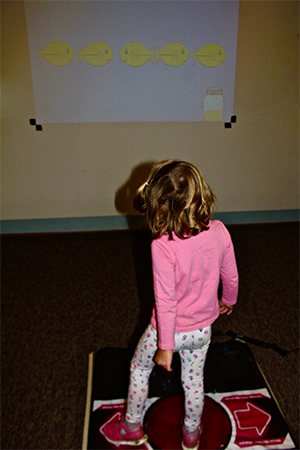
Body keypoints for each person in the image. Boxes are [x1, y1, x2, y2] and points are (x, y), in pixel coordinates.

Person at [102, 159, 239, 450]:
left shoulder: (162, 245)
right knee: (193, 381)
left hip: (167, 332)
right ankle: (192, 434)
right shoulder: (219, 230)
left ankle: (131, 427)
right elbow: (231, 273)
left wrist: (165, 345)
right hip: (203, 330)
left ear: (159, 205)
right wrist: (229, 300)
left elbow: (165, 300)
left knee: (139, 369)